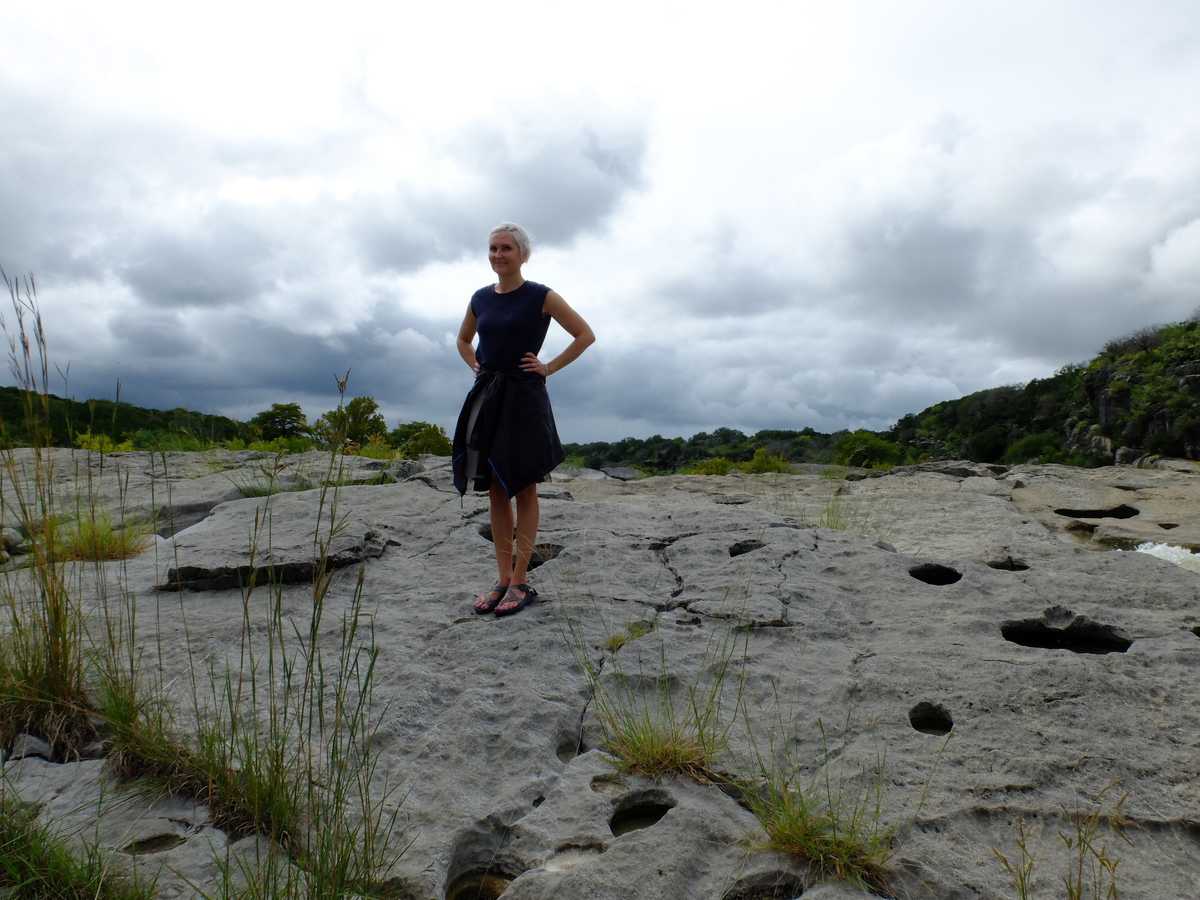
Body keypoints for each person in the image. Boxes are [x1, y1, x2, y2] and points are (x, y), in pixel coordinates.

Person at [452, 223, 595, 617]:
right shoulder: (480, 299)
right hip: (490, 396)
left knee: (524, 487)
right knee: (496, 489)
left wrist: (548, 367)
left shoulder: (541, 296)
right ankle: (502, 578)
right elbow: (464, 341)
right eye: (493, 249)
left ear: (522, 255)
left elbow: (585, 334)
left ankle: (520, 581)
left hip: (525, 399)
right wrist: (475, 364)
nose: (498, 255)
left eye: (507, 249)